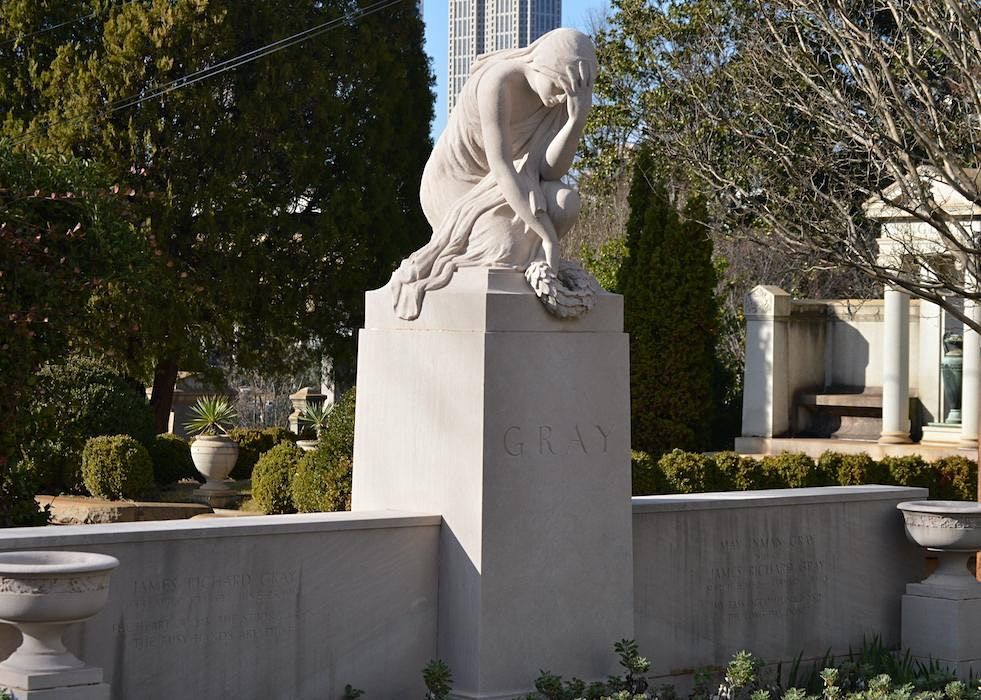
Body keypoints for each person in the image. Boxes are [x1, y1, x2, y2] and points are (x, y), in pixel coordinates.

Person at [388, 28, 597, 320]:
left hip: (519, 182)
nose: (563, 96)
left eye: (571, 92)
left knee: (566, 204)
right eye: (560, 87)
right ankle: (526, 256)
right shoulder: (497, 84)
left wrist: (576, 120)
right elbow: (502, 168)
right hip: (458, 185)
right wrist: (547, 236)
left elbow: (549, 171)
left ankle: (534, 260)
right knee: (505, 248)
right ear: (545, 65)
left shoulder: (562, 100)